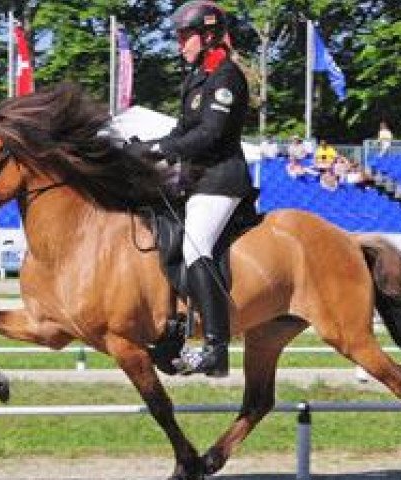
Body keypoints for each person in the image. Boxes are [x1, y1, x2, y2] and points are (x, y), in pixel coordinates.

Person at [124, 0, 253, 377]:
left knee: (197, 246)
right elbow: (183, 132)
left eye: (185, 36)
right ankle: (174, 329)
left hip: (221, 180)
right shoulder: (199, 76)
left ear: (209, 35)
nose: (180, 44)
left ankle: (216, 347)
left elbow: (210, 133)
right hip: (197, 180)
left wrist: (163, 150)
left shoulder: (226, 76)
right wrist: (146, 149)